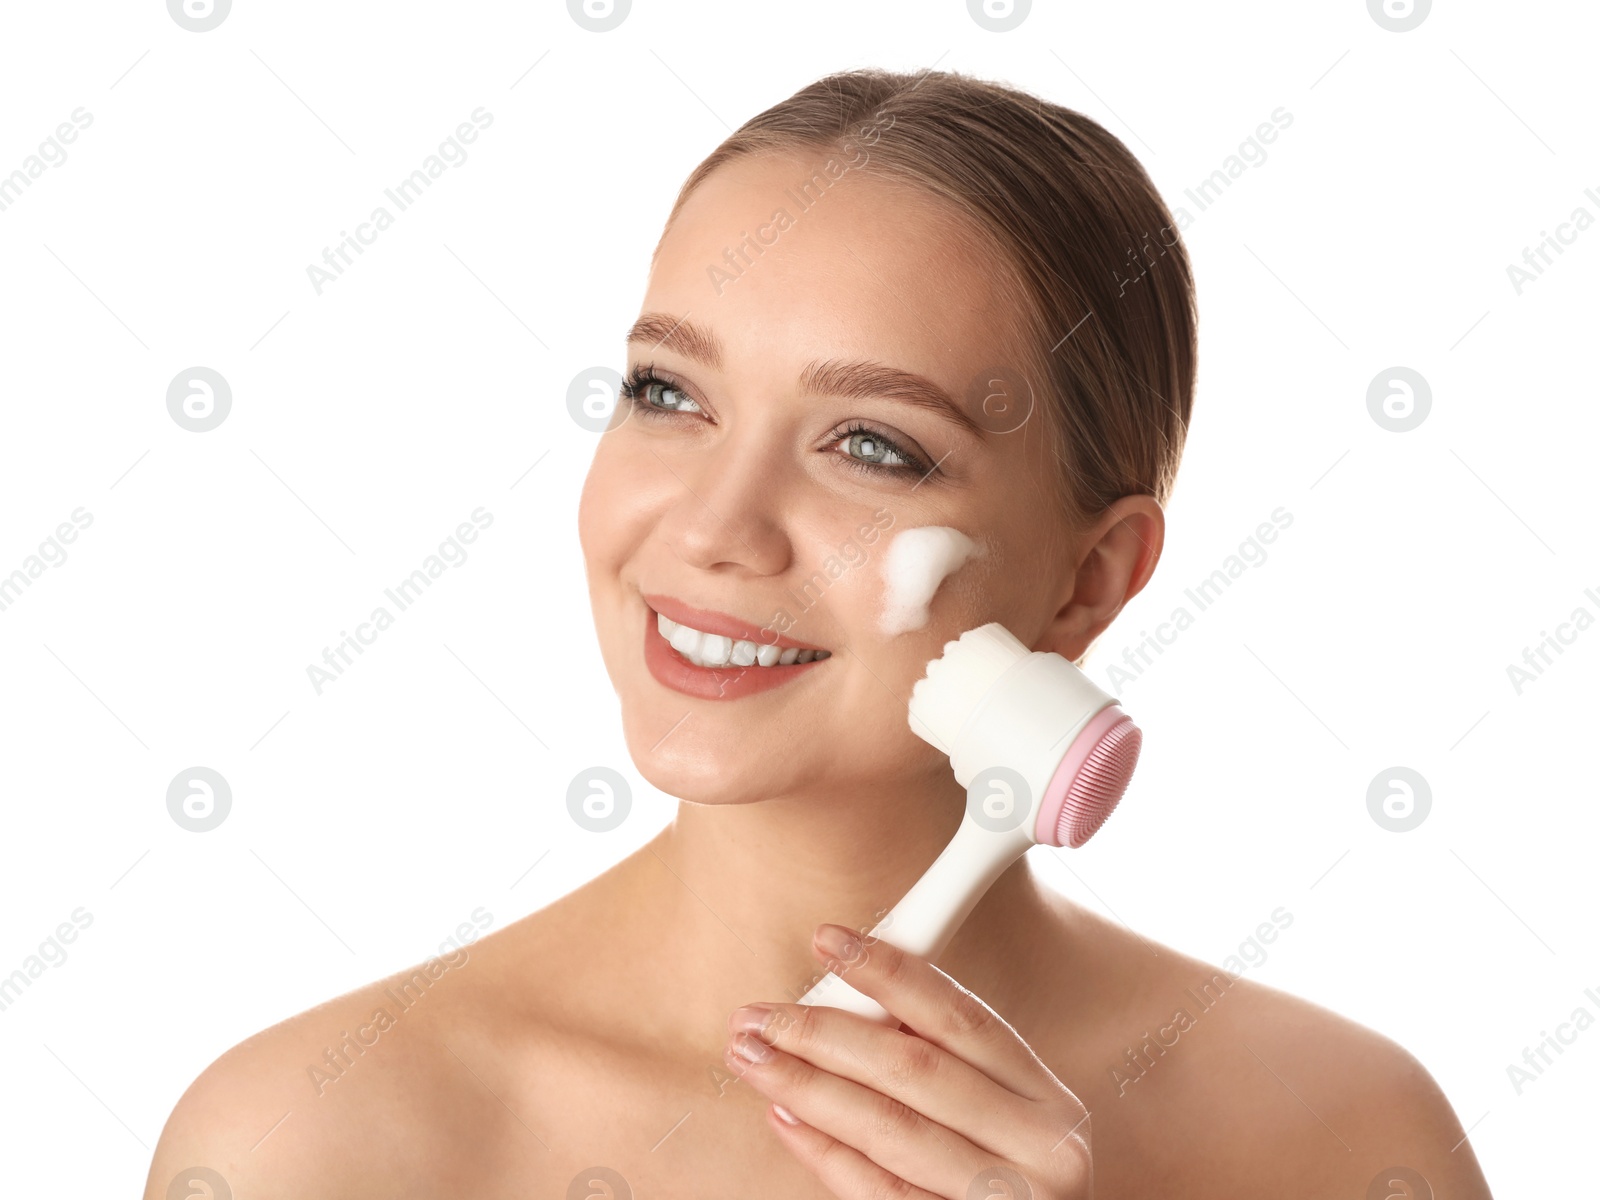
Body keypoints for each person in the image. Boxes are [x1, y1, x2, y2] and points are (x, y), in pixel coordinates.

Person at [146, 67, 1493, 1199]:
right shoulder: (308, 1146)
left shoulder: (1347, 1137)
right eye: (668, 391)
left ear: (1090, 579)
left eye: (869, 445)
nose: (719, 526)